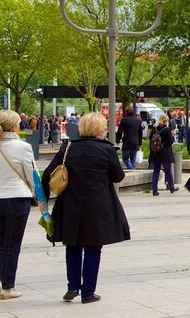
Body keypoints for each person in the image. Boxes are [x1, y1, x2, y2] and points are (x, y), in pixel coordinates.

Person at [42, 112, 130, 304]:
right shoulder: (106, 150)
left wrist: (44, 201)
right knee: (93, 247)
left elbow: (48, 173)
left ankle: (72, 286)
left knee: (72, 245)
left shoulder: (68, 147)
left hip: (70, 205)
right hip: (98, 207)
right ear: (99, 129)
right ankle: (88, 292)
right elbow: (118, 177)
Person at [0, 110, 37, 300]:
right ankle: (8, 287)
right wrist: (40, 198)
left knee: (1, 240)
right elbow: (32, 175)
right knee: (12, 244)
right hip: (15, 198)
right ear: (14, 126)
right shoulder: (23, 147)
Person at [148, 114, 178, 196]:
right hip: (165, 153)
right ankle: (171, 187)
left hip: (156, 153)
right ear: (165, 121)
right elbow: (170, 142)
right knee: (168, 170)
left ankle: (154, 189)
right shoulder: (167, 129)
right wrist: (173, 135)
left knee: (156, 171)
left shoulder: (154, 129)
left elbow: (150, 138)